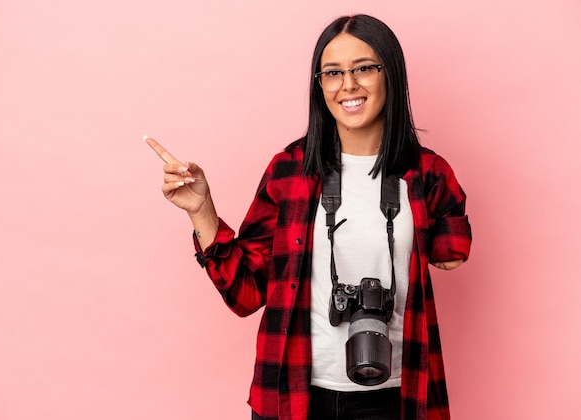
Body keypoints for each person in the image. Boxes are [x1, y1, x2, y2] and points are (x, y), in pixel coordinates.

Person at [146, 14, 471, 420]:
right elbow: (246, 295)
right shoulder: (290, 170)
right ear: (319, 85)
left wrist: (448, 242)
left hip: (396, 395)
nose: (347, 85)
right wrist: (202, 210)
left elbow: (453, 247)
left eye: (364, 68)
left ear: (392, 73)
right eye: (332, 73)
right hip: (296, 393)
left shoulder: (429, 174)